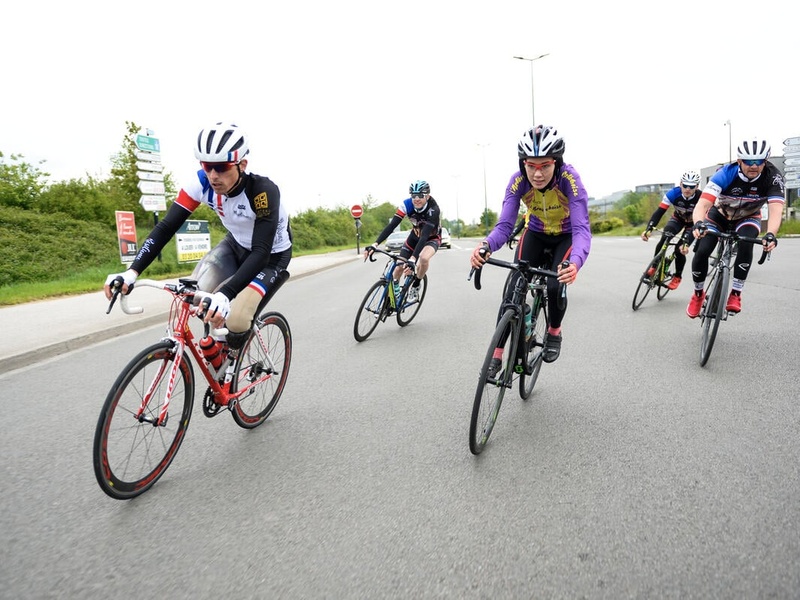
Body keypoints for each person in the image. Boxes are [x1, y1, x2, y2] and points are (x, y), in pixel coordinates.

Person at [104, 122, 292, 356]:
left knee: (237, 320)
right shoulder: (201, 183)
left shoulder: (262, 191)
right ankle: (219, 348)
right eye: (207, 166)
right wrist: (132, 272)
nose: (213, 175)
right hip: (235, 245)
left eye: (222, 167)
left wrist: (225, 295)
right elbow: (165, 228)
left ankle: (234, 356)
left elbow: (261, 250)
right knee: (196, 297)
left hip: (271, 256)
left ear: (242, 164)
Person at [470, 125, 591, 366]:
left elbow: (581, 229)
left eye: (545, 165)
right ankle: (497, 354)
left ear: (556, 162)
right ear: (522, 163)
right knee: (512, 291)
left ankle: (554, 331)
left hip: (565, 236)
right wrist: (486, 246)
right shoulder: (517, 181)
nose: (537, 173)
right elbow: (504, 225)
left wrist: (575, 262)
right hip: (535, 233)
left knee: (556, 286)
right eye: (531, 165)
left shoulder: (569, 179)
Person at [686, 137, 784, 318]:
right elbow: (702, 205)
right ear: (739, 161)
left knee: (746, 244)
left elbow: (776, 210)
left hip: (748, 217)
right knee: (703, 249)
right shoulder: (725, 173)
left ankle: (736, 293)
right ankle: (698, 294)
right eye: (748, 161)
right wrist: (699, 223)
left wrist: (770, 234)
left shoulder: (773, 177)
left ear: (766, 160)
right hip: (719, 215)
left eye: (759, 161)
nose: (754, 166)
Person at [365, 180, 442, 298]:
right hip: (414, 236)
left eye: (420, 195)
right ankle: (394, 297)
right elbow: (391, 226)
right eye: (413, 195)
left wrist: (412, 259)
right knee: (398, 267)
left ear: (427, 196)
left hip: (431, 238)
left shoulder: (434, 209)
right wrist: (375, 244)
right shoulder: (406, 205)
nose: (416, 199)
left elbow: (425, 236)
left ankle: (416, 284)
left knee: (424, 258)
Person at [640, 170, 701, 290]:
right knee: (665, 237)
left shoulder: (701, 197)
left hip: (692, 223)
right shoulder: (673, 194)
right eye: (685, 185)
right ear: (680, 184)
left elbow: (704, 216)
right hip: (677, 219)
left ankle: (677, 276)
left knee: (680, 249)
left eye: (692, 186)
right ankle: (654, 266)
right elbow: (659, 213)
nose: (688, 189)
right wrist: (649, 229)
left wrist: (694, 238)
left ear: (697, 187)